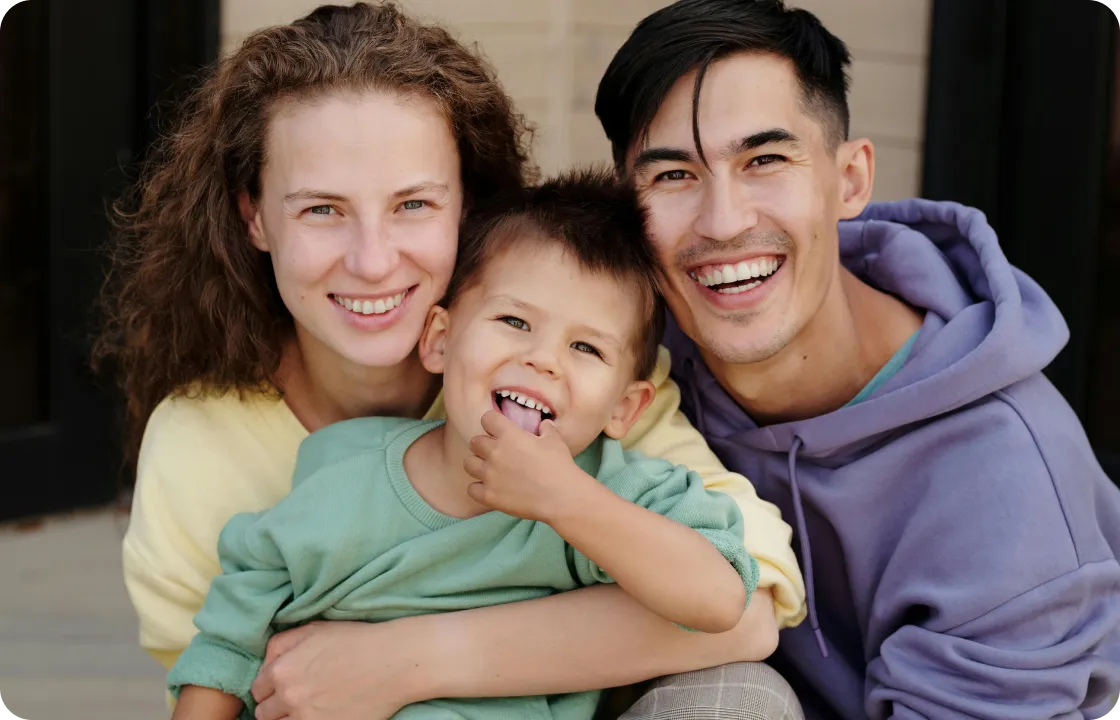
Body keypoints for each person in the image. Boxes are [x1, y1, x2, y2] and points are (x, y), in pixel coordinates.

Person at [95, 4, 807, 718]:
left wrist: (404, 663)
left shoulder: (569, 390)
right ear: (254, 216)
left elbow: (746, 610)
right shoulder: (199, 449)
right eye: (321, 210)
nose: (372, 262)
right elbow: (218, 670)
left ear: (465, 207)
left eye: (413, 205)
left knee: (740, 699)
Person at [594, 0, 1120, 718]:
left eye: (765, 160)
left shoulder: (1004, 486)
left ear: (850, 180)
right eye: (673, 176)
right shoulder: (624, 363)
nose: (724, 222)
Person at [167, 170, 760, 720]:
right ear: (440, 341)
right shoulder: (343, 476)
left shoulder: (613, 496)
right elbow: (228, 641)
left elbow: (718, 599)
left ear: (623, 408)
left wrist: (566, 500)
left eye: (587, 349)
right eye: (516, 322)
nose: (543, 360)